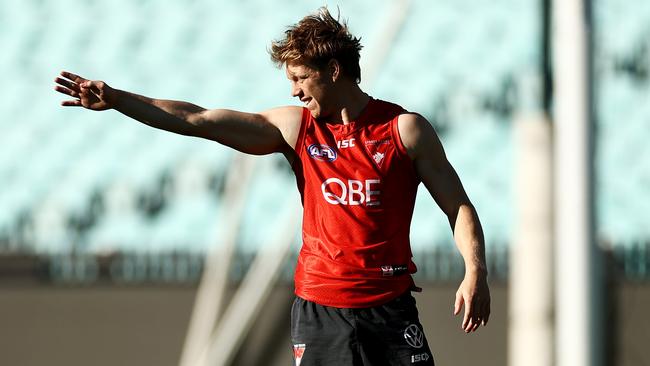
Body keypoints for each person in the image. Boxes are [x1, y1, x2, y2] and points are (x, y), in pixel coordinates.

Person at [54, 7, 490, 366]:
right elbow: (198, 120)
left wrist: (475, 272)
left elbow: (459, 207)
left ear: (334, 70)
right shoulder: (294, 129)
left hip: (390, 310)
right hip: (322, 311)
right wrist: (118, 99)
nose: (295, 90)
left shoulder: (404, 130)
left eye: (301, 78)